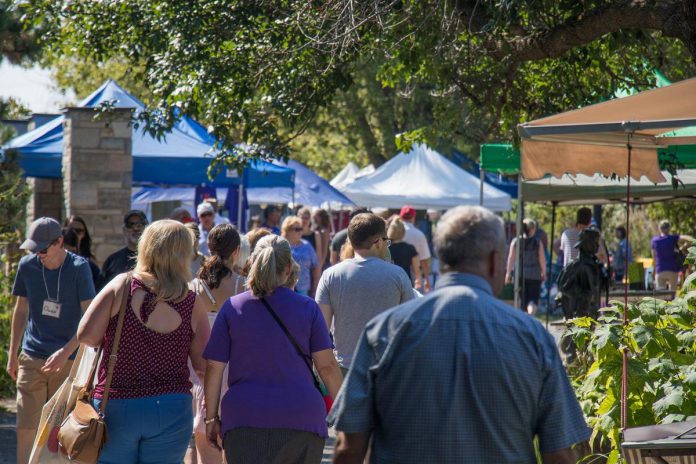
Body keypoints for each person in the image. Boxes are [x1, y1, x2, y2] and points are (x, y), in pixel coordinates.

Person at [330, 206, 590, 464]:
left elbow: (348, 448)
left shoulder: (383, 332)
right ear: (493, 261)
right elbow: (559, 454)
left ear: (441, 260)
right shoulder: (532, 337)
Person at [77, 219, 211, 464]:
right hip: (171, 406)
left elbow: (86, 335)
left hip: (117, 403)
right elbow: (203, 363)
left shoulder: (123, 285)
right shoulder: (192, 302)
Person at [203, 234, 342, 464]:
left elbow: (213, 367)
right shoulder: (308, 308)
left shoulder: (232, 308)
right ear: (289, 268)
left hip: (244, 417)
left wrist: (210, 419)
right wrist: (345, 416)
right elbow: (327, 366)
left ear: (253, 264)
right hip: (302, 417)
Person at [7, 217, 96, 464]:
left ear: (60, 243)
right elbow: (21, 309)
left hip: (67, 359)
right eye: (33, 249)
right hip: (32, 354)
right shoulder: (27, 266)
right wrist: (12, 353)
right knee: (25, 423)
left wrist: (65, 351)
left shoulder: (80, 268)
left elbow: (89, 316)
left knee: (59, 429)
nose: (38, 255)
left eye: (43, 249)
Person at [316, 213, 413, 375]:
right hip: (385, 368)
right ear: (377, 242)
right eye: (386, 240)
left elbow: (320, 330)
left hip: (344, 368)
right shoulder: (398, 275)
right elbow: (409, 326)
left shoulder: (330, 275)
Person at [188, 224, 245, 464]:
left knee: (203, 444)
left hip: (198, 371)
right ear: (236, 251)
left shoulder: (192, 286)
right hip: (234, 371)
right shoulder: (244, 286)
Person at [98, 209, 148, 290]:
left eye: (140, 224)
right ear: (124, 230)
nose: (135, 228)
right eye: (130, 224)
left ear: (146, 228)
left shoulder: (155, 259)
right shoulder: (112, 261)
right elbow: (100, 291)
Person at [505, 218, 547, 315]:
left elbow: (511, 258)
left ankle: (525, 318)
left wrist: (508, 273)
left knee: (522, 300)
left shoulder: (516, 242)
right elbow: (542, 259)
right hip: (534, 275)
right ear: (533, 229)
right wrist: (543, 273)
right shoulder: (537, 242)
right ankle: (531, 315)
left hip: (520, 274)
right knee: (532, 300)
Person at [282, 216, 321, 297]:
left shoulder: (307, 245)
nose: (300, 232)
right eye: (297, 229)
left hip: (303, 290)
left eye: (301, 229)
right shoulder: (281, 245)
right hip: (283, 288)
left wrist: (315, 288)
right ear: (287, 230)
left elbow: (316, 266)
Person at [651, 220, 693, 290]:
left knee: (661, 297)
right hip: (672, 270)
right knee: (672, 295)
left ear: (660, 228)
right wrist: (682, 248)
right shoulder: (672, 238)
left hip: (660, 270)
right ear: (669, 228)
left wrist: (653, 272)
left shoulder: (654, 241)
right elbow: (690, 239)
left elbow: (654, 258)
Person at [399, 205, 431, 292]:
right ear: (413, 217)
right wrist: (427, 280)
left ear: (401, 216)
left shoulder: (393, 233)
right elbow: (424, 259)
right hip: (414, 273)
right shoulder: (419, 234)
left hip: (394, 271)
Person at [386, 217, 421, 288]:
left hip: (390, 282)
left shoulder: (386, 249)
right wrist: (418, 281)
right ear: (403, 232)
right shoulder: (410, 248)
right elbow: (416, 270)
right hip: (407, 282)